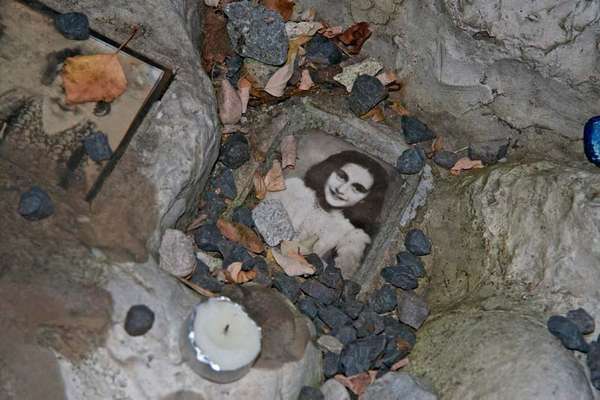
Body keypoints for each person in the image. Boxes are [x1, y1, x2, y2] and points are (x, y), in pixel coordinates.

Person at [267, 150, 389, 276]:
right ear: (330, 171)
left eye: (357, 188)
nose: (341, 189)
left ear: (365, 199)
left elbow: (341, 277)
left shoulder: (352, 235)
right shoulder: (293, 188)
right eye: (341, 177)